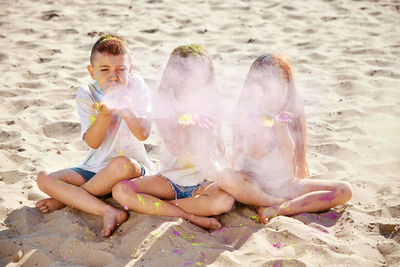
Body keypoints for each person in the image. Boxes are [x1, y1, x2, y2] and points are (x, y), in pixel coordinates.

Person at [211, 53, 352, 223]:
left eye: (280, 88)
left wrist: (281, 129)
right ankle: (272, 202)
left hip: (287, 185)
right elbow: (255, 153)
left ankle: (281, 208)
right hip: (255, 186)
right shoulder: (249, 117)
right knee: (226, 177)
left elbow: (289, 159)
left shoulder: (289, 116)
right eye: (267, 89)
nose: (273, 95)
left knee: (344, 190)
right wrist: (263, 129)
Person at [35, 34, 153, 237]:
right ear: (92, 72)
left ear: (130, 70)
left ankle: (66, 199)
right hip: (95, 166)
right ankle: (107, 210)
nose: (113, 76)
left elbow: (143, 134)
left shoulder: (136, 86)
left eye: (121, 70)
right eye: (104, 70)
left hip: (130, 167)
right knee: (44, 179)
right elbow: (93, 142)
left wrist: (126, 108)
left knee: (121, 164)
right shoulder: (87, 94)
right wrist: (104, 115)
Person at [112, 44, 234, 230]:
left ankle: (162, 208)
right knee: (120, 190)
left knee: (225, 202)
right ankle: (191, 216)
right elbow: (175, 148)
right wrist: (186, 124)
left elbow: (218, 151)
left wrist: (206, 130)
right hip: (170, 180)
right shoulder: (163, 102)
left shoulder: (211, 101)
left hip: (204, 180)